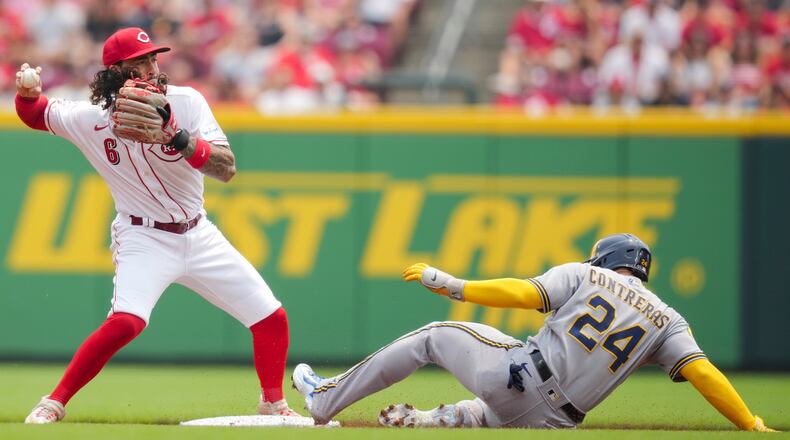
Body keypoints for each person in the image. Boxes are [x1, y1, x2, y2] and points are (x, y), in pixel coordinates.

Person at [16, 27, 300, 423]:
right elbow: (36, 114)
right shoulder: (88, 118)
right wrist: (26, 94)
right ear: (114, 72)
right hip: (142, 235)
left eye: (153, 60)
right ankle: (54, 401)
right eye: (139, 63)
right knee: (127, 322)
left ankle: (272, 402)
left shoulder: (186, 102)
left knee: (271, 318)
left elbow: (227, 168)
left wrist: (178, 137)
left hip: (198, 233)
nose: (151, 69)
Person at [292, 233, 776, 431]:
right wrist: (751, 423)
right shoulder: (667, 318)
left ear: (606, 261)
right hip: (553, 424)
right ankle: (426, 420)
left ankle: (324, 399)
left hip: (518, 377)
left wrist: (454, 285)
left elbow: (525, 293)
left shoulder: (589, 275)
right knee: (493, 407)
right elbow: (704, 373)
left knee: (434, 335)